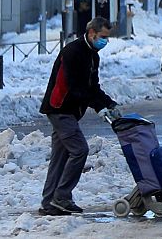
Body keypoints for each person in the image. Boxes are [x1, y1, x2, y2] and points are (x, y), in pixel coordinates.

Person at [39, 17, 119, 215]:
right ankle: (62, 197)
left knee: (60, 155)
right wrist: (97, 107)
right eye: (103, 37)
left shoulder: (93, 55)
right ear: (91, 33)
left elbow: (93, 87)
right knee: (80, 150)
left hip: (69, 111)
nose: (105, 42)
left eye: (107, 38)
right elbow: (76, 87)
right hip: (60, 108)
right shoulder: (73, 52)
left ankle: (49, 202)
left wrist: (108, 103)